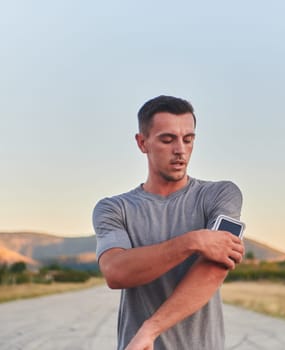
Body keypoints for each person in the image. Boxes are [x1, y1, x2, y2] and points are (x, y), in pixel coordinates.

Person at [93, 95, 245, 350]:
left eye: (188, 139)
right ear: (142, 143)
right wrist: (193, 241)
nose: (180, 150)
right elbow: (116, 272)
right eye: (167, 139)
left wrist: (150, 329)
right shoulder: (114, 208)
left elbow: (215, 268)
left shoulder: (221, 195)